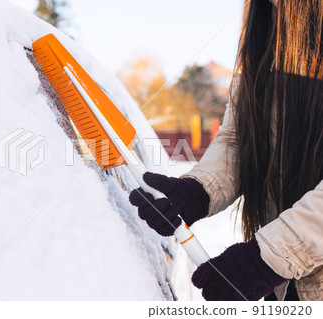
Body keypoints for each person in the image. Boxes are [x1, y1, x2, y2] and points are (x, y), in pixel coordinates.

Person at [129, 0, 323, 301]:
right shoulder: (265, 29)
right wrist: (197, 191)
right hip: (284, 284)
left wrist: (267, 259)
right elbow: (237, 139)